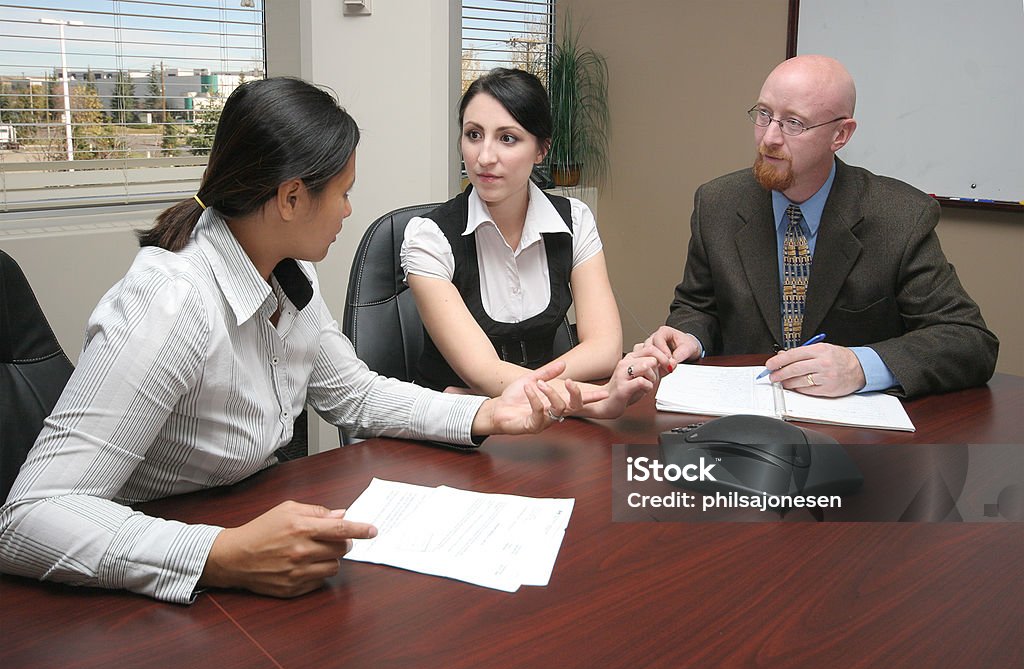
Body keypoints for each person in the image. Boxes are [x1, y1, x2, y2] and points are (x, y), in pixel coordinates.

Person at [0, 77, 614, 605]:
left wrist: (484, 412)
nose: (350, 210)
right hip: (142, 578)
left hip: (241, 532)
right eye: (343, 192)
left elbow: (356, 395)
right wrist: (218, 553)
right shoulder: (171, 304)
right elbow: (30, 517)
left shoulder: (285, 275)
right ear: (293, 197)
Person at [643, 55, 997, 399]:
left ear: (840, 134)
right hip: (744, 419)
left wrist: (861, 366)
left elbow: (968, 340)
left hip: (851, 437)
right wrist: (689, 336)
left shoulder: (899, 217)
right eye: (764, 115)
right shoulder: (718, 203)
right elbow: (698, 307)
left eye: (794, 123)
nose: (769, 138)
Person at [402, 68, 656, 418]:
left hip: (545, 423)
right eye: (473, 135)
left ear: (541, 150)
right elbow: (483, 371)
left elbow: (604, 349)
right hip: (454, 426)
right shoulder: (428, 238)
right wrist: (590, 400)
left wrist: (523, 392)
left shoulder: (575, 221)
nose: (484, 156)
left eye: (507, 138)